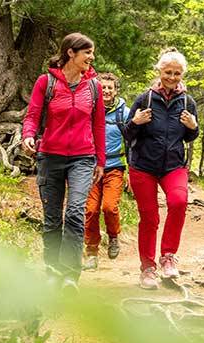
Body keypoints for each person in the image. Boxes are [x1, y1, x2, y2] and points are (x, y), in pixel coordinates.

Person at [21, 33, 105, 289]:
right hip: (50, 157)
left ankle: (70, 274)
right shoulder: (46, 82)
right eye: (87, 53)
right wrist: (27, 136)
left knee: (76, 212)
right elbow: (33, 115)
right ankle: (52, 270)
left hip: (82, 157)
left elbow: (98, 124)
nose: (91, 58)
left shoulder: (94, 86)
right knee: (52, 217)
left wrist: (100, 161)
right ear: (71, 52)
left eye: (92, 53)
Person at [124, 47, 199, 290]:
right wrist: (135, 122)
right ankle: (147, 268)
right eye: (168, 72)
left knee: (178, 202)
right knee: (149, 217)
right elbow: (127, 132)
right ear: (159, 71)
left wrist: (193, 126)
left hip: (173, 165)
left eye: (177, 73)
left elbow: (190, 137)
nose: (172, 77)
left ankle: (168, 256)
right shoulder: (145, 99)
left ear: (182, 75)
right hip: (143, 165)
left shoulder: (187, 101)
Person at [82, 72, 130, 269]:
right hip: (90, 169)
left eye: (110, 87)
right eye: (103, 87)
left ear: (116, 90)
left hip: (114, 168)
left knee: (109, 207)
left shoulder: (124, 113)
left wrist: (132, 172)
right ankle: (91, 252)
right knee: (91, 210)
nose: (107, 91)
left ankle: (113, 237)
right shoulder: (88, 110)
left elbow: (132, 142)